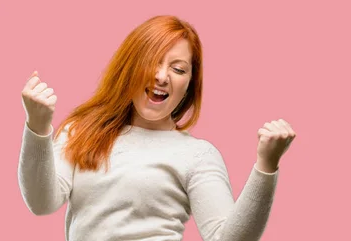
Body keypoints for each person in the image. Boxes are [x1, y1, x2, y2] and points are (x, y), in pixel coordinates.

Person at [17, 15, 296, 241]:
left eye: (178, 69)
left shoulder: (197, 155)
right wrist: (38, 128)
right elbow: (42, 203)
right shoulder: (82, 131)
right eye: (153, 61)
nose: (162, 76)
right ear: (130, 66)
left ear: (189, 84)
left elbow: (227, 238)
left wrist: (266, 165)